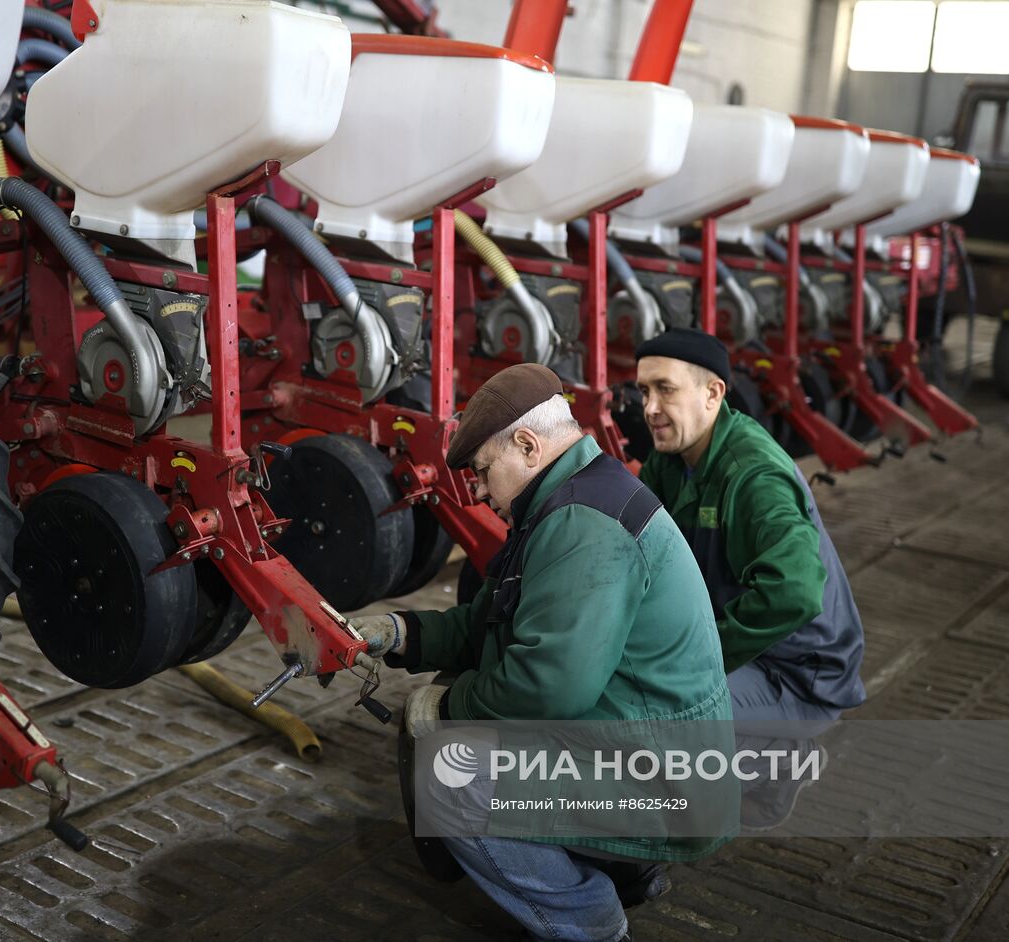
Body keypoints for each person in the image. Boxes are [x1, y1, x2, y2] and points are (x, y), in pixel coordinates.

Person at [352, 363, 733, 942]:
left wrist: (449, 709)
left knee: (450, 778)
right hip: (655, 749)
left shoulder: (582, 524)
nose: (476, 491)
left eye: (481, 472)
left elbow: (549, 687)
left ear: (528, 446)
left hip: (669, 783)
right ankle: (626, 873)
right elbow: (489, 623)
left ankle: (591, 925)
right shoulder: (573, 496)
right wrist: (403, 633)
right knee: (475, 690)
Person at [632, 327, 866, 828]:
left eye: (665, 389)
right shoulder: (671, 460)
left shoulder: (754, 477)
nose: (649, 407)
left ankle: (776, 762)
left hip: (799, 672)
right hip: (749, 653)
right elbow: (632, 544)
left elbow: (795, 592)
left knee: (660, 722)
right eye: (643, 391)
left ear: (713, 393)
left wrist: (693, 658)